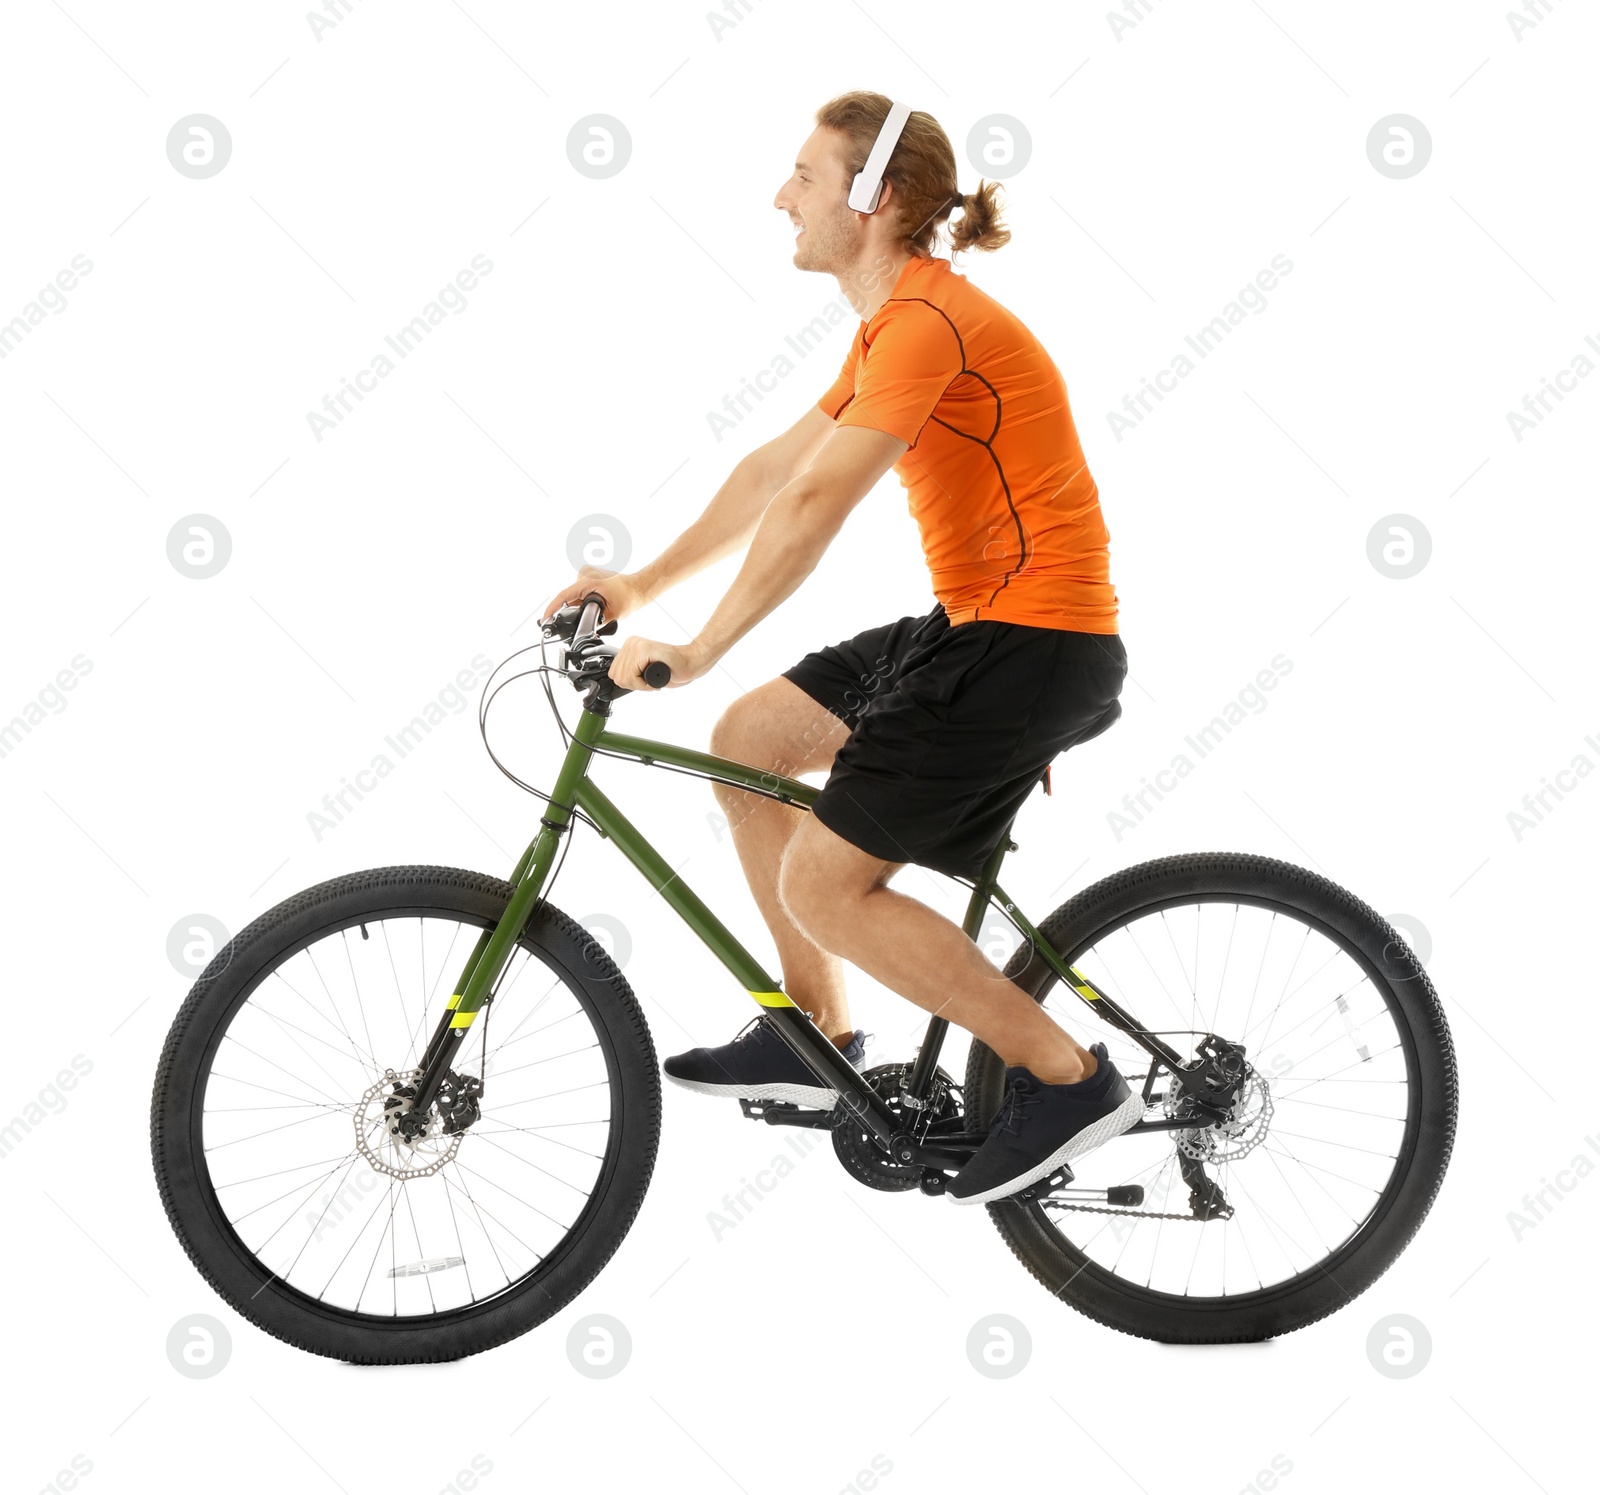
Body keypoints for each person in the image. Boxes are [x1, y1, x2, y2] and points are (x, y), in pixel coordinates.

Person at [541, 91, 1140, 1204]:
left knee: (826, 883)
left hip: (1034, 642)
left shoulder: (928, 325)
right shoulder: (893, 322)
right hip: (980, 627)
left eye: (805, 178)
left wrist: (701, 644)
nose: (782, 196)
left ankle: (1067, 1079)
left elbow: (819, 501)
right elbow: (777, 465)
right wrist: (640, 584)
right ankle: (815, 1032)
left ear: (878, 199)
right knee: (753, 739)